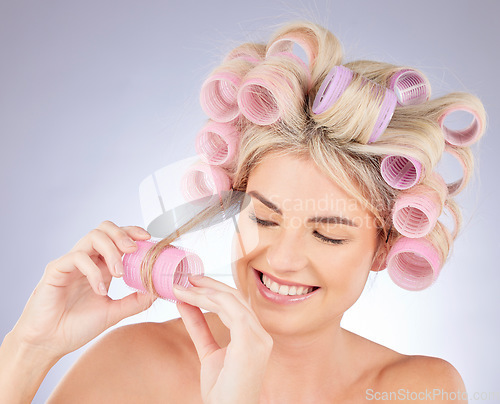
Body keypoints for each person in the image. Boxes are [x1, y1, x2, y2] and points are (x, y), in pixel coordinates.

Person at [0, 20, 485, 403]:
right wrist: (28, 351)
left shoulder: (420, 391)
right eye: (265, 219)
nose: (283, 259)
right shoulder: (137, 366)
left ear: (385, 247)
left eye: (329, 235)